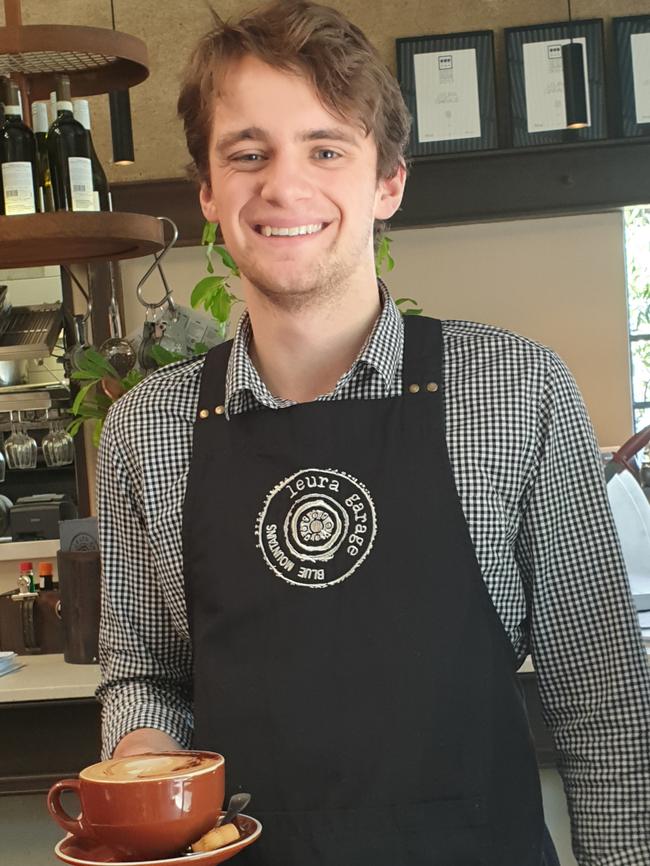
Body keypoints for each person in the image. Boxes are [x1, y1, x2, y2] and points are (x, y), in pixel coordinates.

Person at [96, 2, 650, 865]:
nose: (284, 186)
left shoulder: (516, 391)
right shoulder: (147, 428)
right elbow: (146, 673)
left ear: (388, 180)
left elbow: (604, 697)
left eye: (326, 149)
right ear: (208, 190)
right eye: (248, 154)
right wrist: (142, 756)